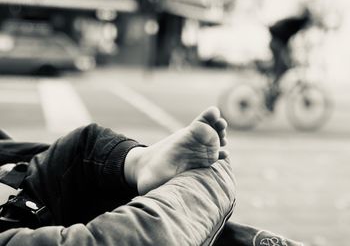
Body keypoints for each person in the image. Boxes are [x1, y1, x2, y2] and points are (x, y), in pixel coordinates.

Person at [0, 107, 302, 245]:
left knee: (82, 146)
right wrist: (207, 182)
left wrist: (132, 161)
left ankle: (141, 163)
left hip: (32, 199)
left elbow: (62, 155)